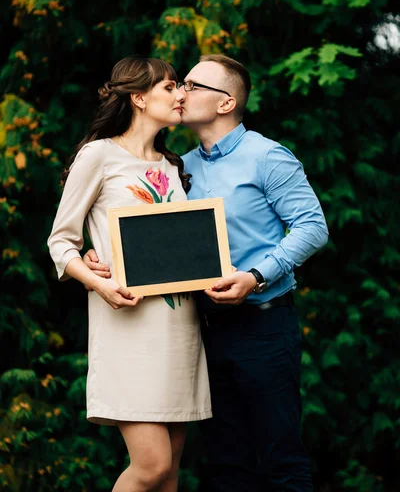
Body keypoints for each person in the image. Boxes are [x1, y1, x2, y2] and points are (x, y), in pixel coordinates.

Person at [85, 54, 329, 491]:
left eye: (193, 86)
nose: (182, 92)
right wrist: (95, 253)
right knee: (226, 463)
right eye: (178, 85)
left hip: (264, 323)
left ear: (225, 103)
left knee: (281, 457)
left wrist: (255, 276)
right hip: (202, 329)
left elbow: (313, 227)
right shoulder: (178, 167)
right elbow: (149, 235)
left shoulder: (267, 156)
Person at [47, 57, 212, 492]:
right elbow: (60, 243)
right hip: (128, 326)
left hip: (180, 326)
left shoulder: (175, 167)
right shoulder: (98, 154)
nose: (182, 96)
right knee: (152, 465)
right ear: (139, 98)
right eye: (171, 87)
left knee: (171, 470)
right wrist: (98, 280)